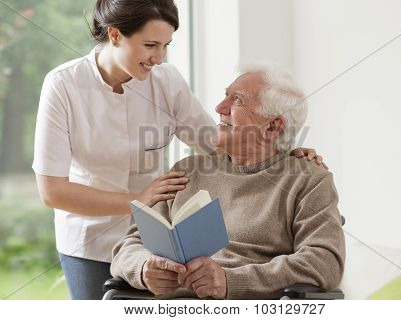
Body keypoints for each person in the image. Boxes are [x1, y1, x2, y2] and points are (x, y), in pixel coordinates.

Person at [32, 0, 324, 300]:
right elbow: (52, 192)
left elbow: (218, 143)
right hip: (89, 240)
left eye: (166, 45)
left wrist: (289, 154)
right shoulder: (63, 86)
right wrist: (138, 200)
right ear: (115, 35)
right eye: (150, 45)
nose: (158, 57)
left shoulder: (166, 81)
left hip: (154, 240)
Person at [110, 66, 345, 299]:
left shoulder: (309, 180)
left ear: (273, 126)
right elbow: (129, 244)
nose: (219, 108)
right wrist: (143, 268)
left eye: (237, 101)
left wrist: (230, 280)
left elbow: (325, 262)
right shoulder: (187, 170)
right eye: (226, 96)